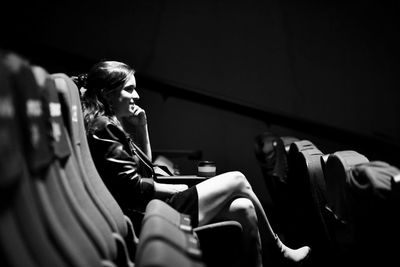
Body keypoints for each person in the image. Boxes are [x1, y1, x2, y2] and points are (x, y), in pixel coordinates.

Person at [73, 60, 311, 267]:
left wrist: (141, 127)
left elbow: (147, 171)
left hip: (154, 206)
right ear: (107, 94)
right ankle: (278, 250)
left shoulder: (112, 123)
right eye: (129, 89)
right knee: (237, 178)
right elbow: (134, 189)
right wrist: (178, 189)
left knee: (243, 208)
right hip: (149, 214)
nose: (136, 96)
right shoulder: (104, 127)